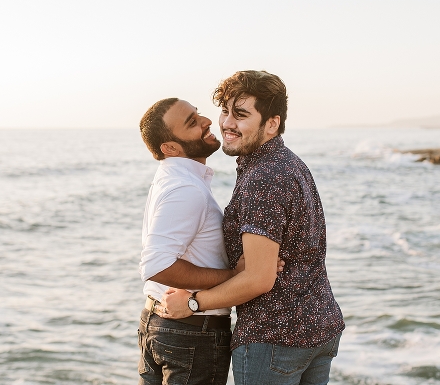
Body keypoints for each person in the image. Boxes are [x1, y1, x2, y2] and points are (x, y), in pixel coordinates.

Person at [161, 71, 345, 385]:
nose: (227, 123)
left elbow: (259, 279)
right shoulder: (289, 163)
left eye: (241, 114)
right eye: (225, 111)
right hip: (318, 329)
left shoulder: (263, 176)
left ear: (271, 123)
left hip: (274, 338)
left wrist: (191, 303)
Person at [136, 98, 235, 385]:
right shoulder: (185, 188)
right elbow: (157, 265)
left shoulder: (176, 179)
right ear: (170, 148)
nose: (206, 121)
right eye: (191, 122)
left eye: (198, 114)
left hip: (167, 325)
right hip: (191, 334)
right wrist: (233, 277)